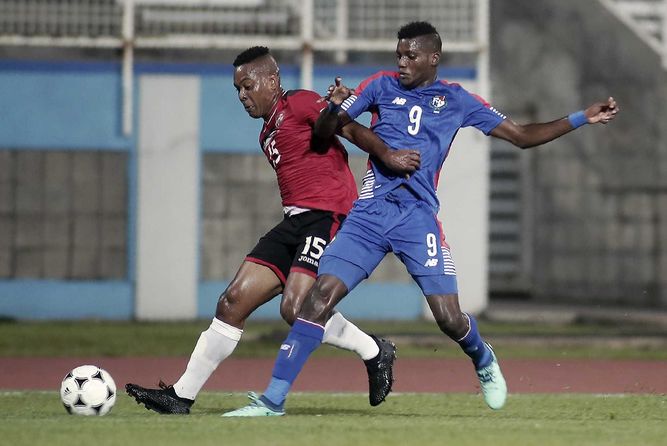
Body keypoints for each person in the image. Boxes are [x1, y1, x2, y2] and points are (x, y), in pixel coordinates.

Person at [223, 21, 620, 417]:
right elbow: (332, 129)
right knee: (317, 301)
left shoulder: (457, 100)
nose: (402, 63)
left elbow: (521, 135)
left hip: (417, 219)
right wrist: (337, 107)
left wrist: (582, 117)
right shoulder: (379, 86)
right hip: (368, 217)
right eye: (398, 55)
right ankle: (272, 400)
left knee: (448, 318)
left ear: (434, 58)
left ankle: (482, 356)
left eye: (411, 56)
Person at [125, 46, 422, 414]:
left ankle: (374, 351)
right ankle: (180, 396)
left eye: (248, 86)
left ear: (272, 79)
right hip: (294, 221)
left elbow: (349, 128)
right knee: (232, 301)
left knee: (296, 307)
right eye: (237, 90)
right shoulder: (267, 130)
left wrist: (389, 155)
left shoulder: (300, 103)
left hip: (327, 216)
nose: (242, 96)